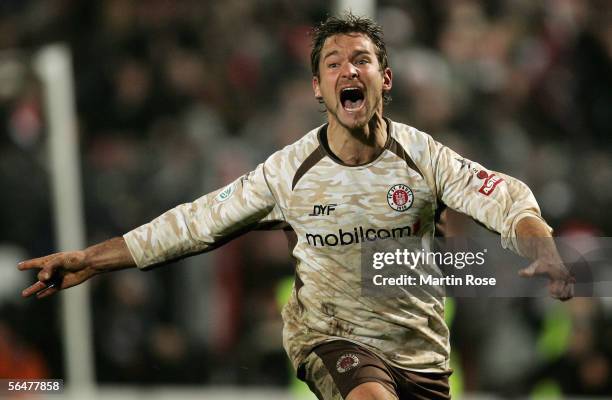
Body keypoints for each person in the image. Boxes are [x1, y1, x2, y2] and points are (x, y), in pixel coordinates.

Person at [18, 14, 573, 400]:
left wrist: (536, 237)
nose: (348, 72)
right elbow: (192, 224)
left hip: (422, 356)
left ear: (386, 79)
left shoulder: (421, 156)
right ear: (317, 86)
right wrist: (92, 259)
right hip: (331, 341)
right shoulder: (288, 173)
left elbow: (500, 194)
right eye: (334, 63)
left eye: (362, 60)